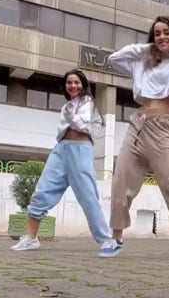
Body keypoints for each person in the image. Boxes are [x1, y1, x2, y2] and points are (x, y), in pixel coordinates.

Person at [107, 16, 169, 259]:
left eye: (166, 33)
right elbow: (114, 59)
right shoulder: (144, 62)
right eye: (156, 34)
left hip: (164, 128)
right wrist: (147, 48)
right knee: (121, 182)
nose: (161, 37)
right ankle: (116, 236)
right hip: (138, 125)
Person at [10, 69, 115, 257]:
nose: (72, 85)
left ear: (83, 84)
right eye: (69, 83)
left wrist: (70, 117)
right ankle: (30, 238)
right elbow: (65, 127)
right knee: (42, 191)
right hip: (61, 149)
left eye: (76, 82)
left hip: (80, 150)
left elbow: (82, 126)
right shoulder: (67, 105)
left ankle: (106, 239)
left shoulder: (88, 102)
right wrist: (68, 115)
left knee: (88, 197)